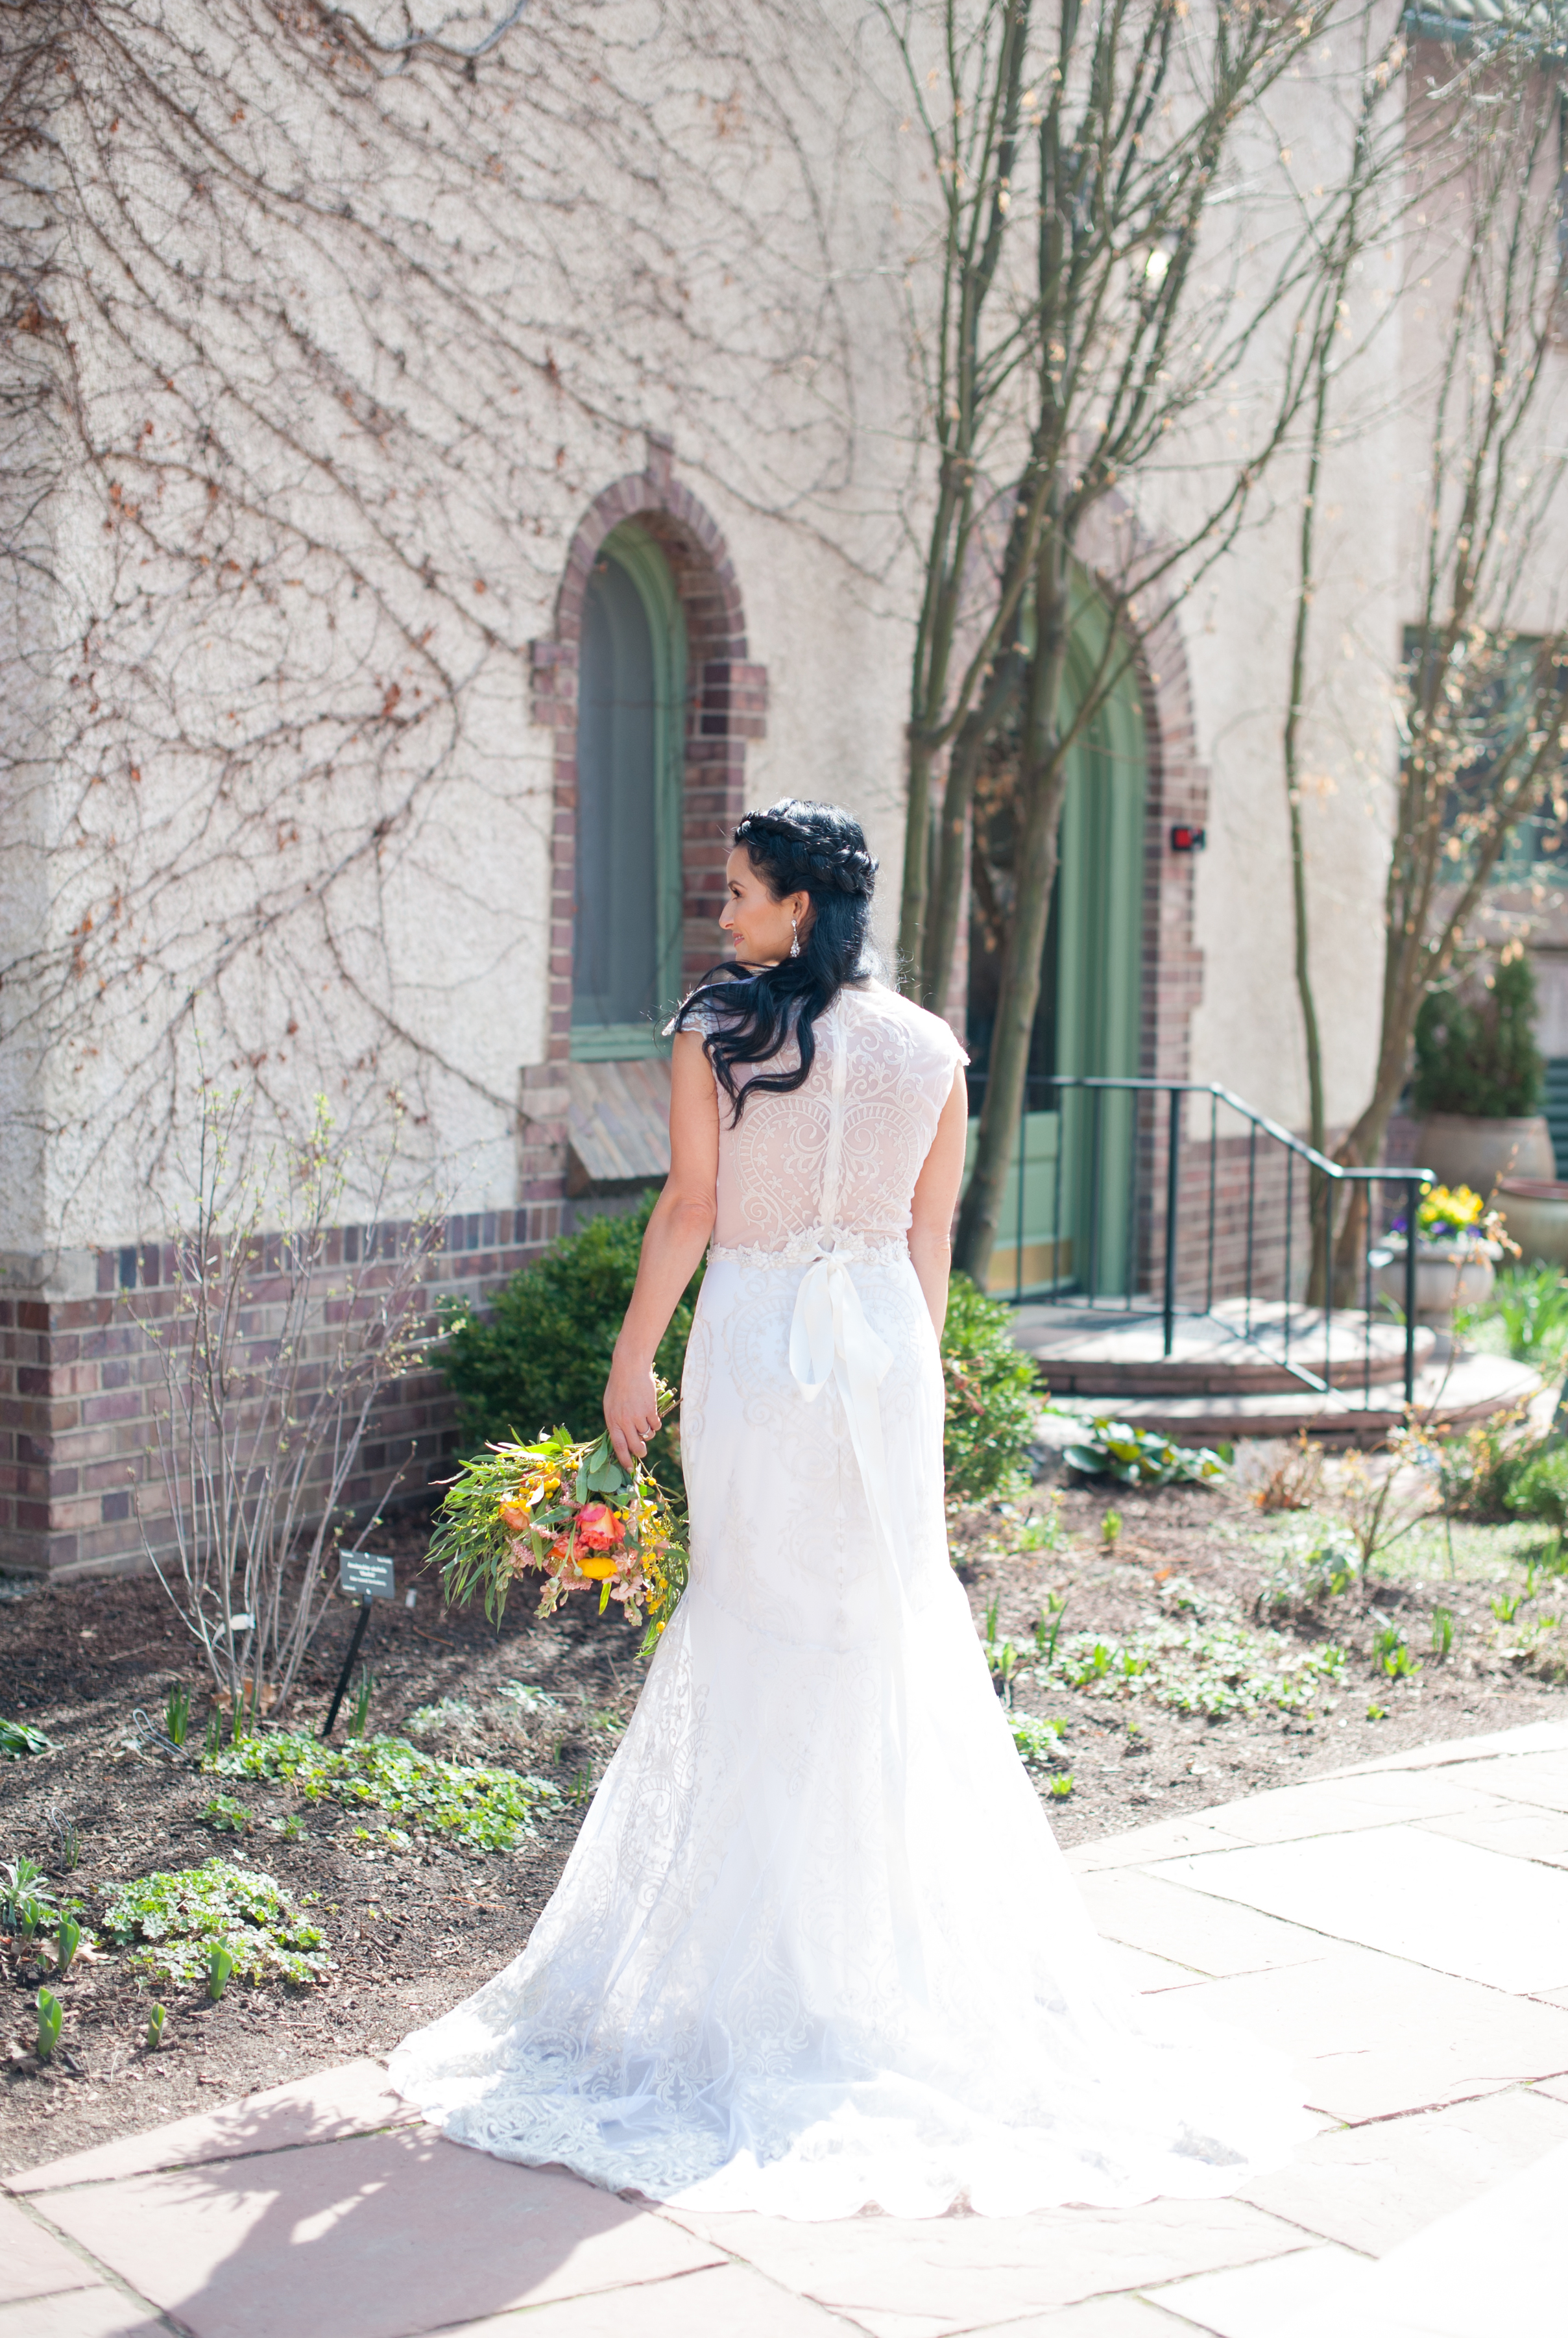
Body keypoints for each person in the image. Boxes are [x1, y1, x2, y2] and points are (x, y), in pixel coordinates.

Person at [389, 799, 1303, 2218]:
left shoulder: (716, 1031)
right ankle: (854, 1962)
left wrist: (631, 1355)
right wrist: (914, 1367)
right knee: (875, 1630)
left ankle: (763, 1971)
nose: (726, 915)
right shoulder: (931, 1043)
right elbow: (929, 1232)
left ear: (799, 910)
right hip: (882, 1348)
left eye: (745, 893)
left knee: (755, 1620)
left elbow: (689, 1208)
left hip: (758, 1339)